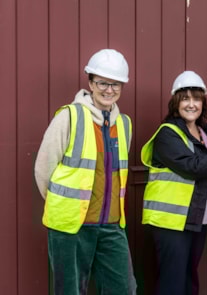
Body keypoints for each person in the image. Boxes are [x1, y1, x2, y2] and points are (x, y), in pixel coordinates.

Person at [34, 49, 137, 294]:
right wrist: (63, 206)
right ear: (91, 82)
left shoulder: (124, 124)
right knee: (69, 290)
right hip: (71, 227)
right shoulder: (69, 116)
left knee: (123, 288)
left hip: (112, 226)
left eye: (115, 84)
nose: (108, 89)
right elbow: (43, 169)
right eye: (102, 82)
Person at [140, 70, 207, 295]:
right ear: (175, 103)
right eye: (185, 98)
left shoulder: (203, 132)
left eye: (196, 98)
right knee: (173, 282)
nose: (191, 104)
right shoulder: (167, 135)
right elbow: (194, 167)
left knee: (189, 278)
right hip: (172, 222)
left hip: (197, 218)